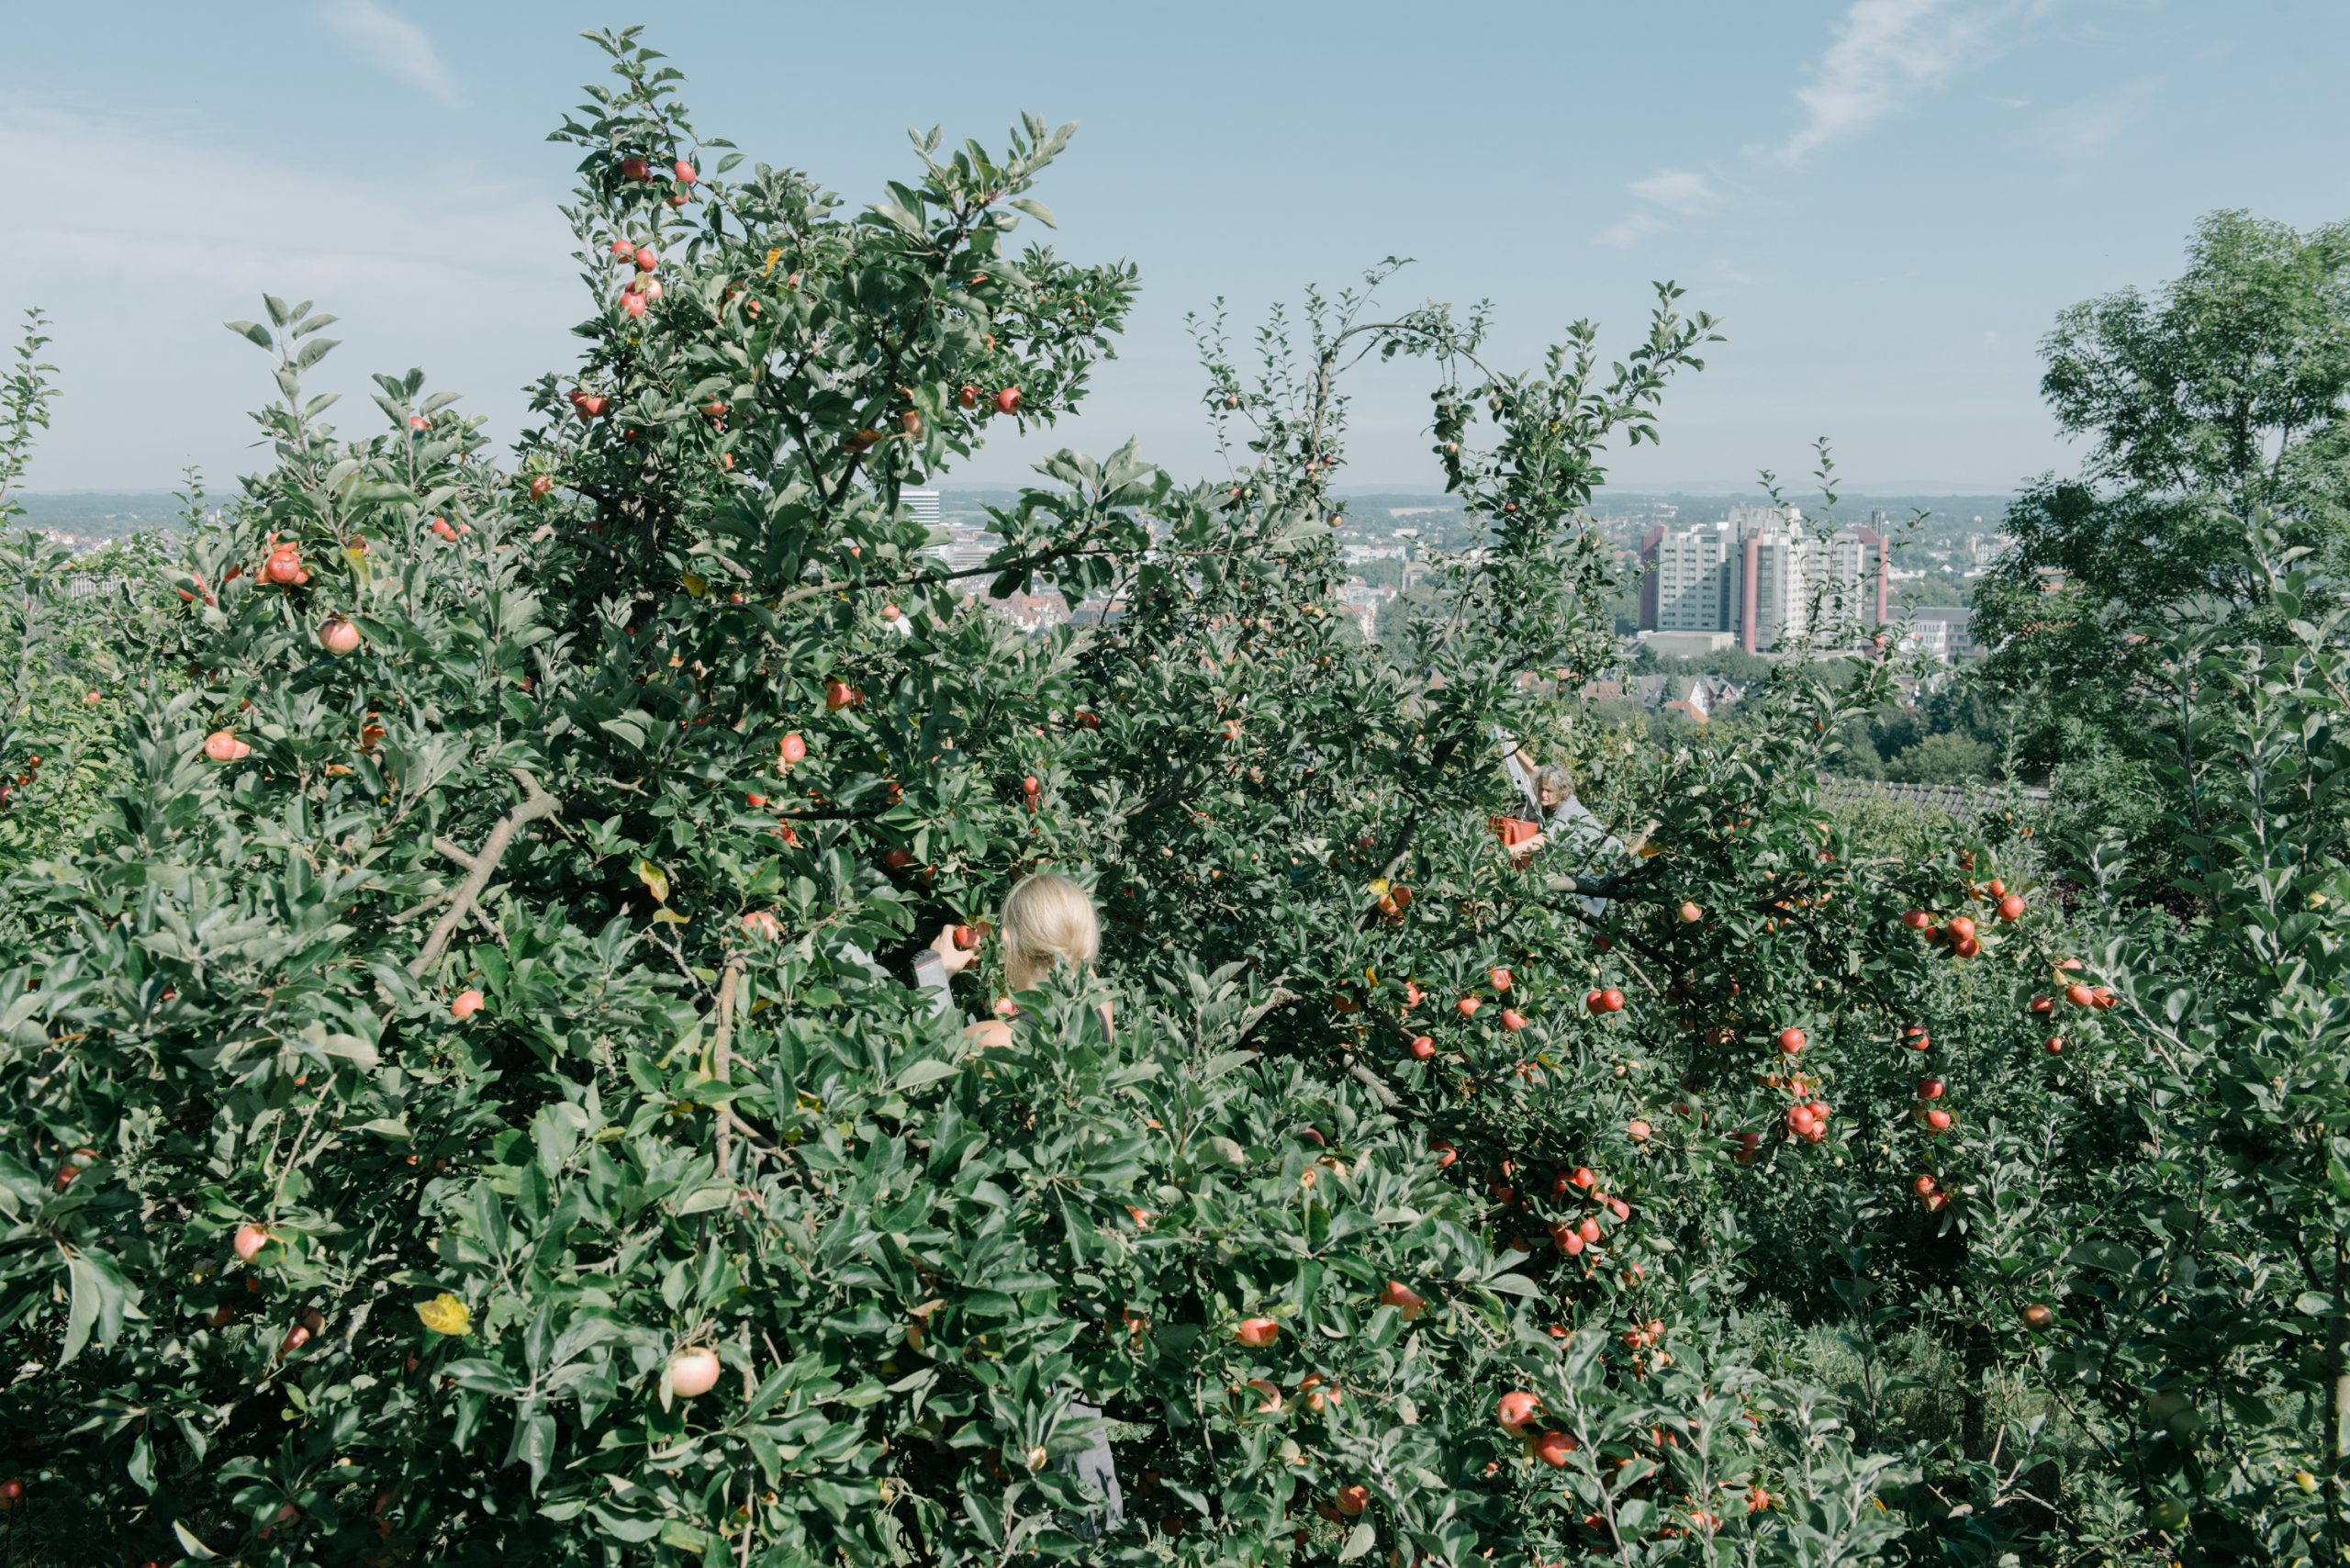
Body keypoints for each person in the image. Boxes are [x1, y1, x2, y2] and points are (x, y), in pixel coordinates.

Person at [909, 871, 1125, 1540]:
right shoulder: (1100, 1017)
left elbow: (928, 1079)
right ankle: (1102, 1539)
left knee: (1022, 1457)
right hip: (1075, 1268)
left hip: (1002, 1280)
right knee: (1076, 1430)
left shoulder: (995, 1041)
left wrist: (931, 973)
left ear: (1008, 942)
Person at [1495, 731, 1651, 918]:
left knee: (1582, 912)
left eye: (1548, 791)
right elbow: (1536, 771)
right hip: (1585, 859)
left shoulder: (1568, 811)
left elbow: (1545, 839)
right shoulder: (1552, 798)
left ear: (1561, 791)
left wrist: (1510, 851)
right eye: (1541, 789)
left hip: (1604, 860)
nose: (1543, 794)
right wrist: (1514, 748)